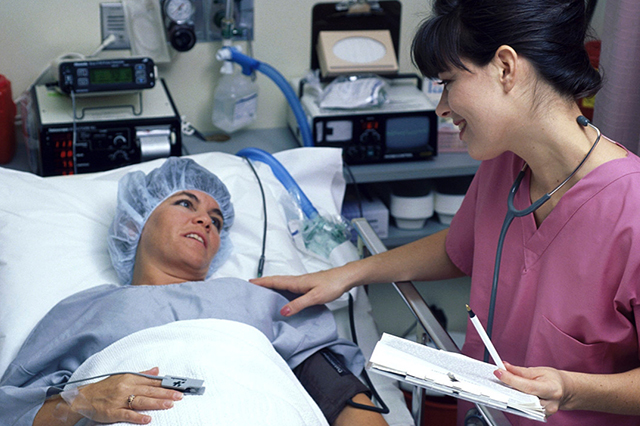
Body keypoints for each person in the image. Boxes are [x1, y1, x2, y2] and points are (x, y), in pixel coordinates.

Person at [251, 1, 640, 425]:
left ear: (506, 68)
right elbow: (463, 248)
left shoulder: (630, 211)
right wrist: (347, 273)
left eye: (447, 82)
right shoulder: (505, 162)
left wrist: (570, 390)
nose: (441, 107)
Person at [0, 157, 388, 426]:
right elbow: (15, 412)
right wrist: (79, 403)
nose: (204, 219)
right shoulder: (84, 310)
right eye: (185, 203)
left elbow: (337, 390)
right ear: (136, 223)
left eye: (217, 221)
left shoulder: (253, 298)